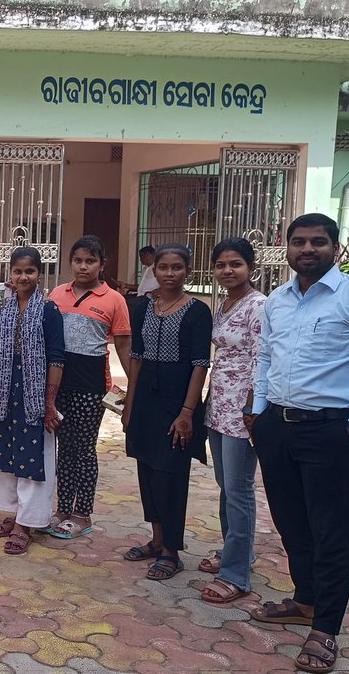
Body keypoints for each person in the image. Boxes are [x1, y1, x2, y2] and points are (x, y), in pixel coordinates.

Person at [246, 213, 349, 674]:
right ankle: (306, 600)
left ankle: (325, 628)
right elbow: (266, 356)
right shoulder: (278, 300)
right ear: (287, 248)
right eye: (299, 242)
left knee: (332, 531)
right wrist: (258, 411)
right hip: (276, 426)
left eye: (318, 242)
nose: (307, 249)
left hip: (331, 430)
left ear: (336, 247)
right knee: (291, 522)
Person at [121, 243, 212, 581]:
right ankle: (157, 540)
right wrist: (129, 405)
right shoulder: (143, 308)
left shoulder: (198, 311)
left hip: (178, 401)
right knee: (147, 469)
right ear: (154, 270)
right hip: (145, 399)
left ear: (188, 271)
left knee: (170, 474)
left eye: (177, 267)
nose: (170, 273)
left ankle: (172, 550)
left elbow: (200, 364)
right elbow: (136, 358)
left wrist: (187, 411)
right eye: (163, 267)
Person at [0, 247, 65, 555]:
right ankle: (15, 513)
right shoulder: (2, 308)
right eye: (18, 271)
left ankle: (27, 524)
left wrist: (49, 403)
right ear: (10, 274)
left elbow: (56, 358)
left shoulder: (49, 310)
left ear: (39, 274)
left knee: (32, 456)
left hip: (34, 393)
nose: (23, 277)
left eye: (29, 271)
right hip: (5, 391)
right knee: (6, 454)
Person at [46, 235, 132, 539]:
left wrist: (134, 386)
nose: (83, 266)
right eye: (78, 260)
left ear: (101, 264)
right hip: (58, 385)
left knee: (83, 450)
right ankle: (62, 510)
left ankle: (82, 513)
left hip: (91, 387)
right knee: (63, 449)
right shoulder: (57, 294)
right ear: (71, 262)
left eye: (90, 261)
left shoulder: (114, 300)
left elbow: (123, 344)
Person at [198, 238, 266, 604]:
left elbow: (262, 358)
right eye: (221, 264)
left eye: (236, 264)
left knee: (239, 490)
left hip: (243, 411)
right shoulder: (223, 304)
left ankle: (236, 574)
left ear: (251, 267)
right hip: (219, 406)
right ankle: (236, 550)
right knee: (226, 485)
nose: (228, 270)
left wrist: (253, 407)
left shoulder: (259, 305)